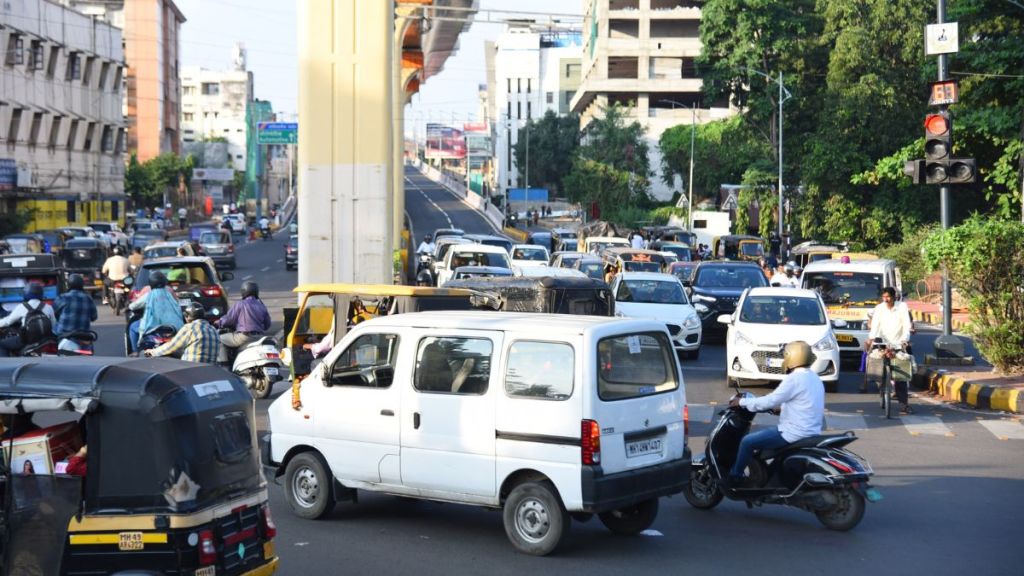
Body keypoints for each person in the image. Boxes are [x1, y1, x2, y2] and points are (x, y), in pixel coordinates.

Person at [726, 340, 825, 486]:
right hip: (811, 431)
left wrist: (741, 402)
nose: (784, 360)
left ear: (793, 357)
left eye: (785, 356)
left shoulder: (794, 379)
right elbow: (806, 403)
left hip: (793, 433)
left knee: (747, 442)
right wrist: (782, 409)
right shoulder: (814, 378)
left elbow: (770, 401)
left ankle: (735, 477)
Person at [865, 286, 915, 413]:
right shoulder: (879, 308)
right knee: (875, 364)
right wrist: (871, 339)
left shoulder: (902, 307)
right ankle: (882, 387)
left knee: (901, 373)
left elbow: (906, 324)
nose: (886, 300)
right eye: (884, 297)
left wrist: (905, 339)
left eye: (888, 297)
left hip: (899, 343)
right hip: (882, 342)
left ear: (894, 297)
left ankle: (904, 403)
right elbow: (875, 325)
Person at [216, 281, 272, 363]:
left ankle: (224, 364)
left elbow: (229, 319)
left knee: (218, 339)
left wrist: (218, 322)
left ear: (243, 291)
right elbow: (267, 325)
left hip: (244, 337)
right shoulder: (262, 306)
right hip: (259, 337)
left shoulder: (240, 304)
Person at [146, 302, 220, 363]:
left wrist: (152, 352)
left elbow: (171, 346)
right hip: (210, 369)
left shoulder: (190, 328)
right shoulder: (213, 329)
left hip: (191, 369)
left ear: (187, 316)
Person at [128, 271, 184, 353]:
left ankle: (135, 352)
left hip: (153, 326)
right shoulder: (169, 292)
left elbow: (133, 306)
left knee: (132, 327)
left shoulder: (149, 294)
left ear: (151, 283)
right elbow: (177, 304)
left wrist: (129, 307)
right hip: (174, 326)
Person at [0, 283, 56, 357]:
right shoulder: (48, 307)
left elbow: (8, 322)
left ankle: (6, 366)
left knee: (2, 345)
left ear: (26, 293)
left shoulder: (22, 307)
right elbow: (53, 325)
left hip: (26, 341)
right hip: (45, 340)